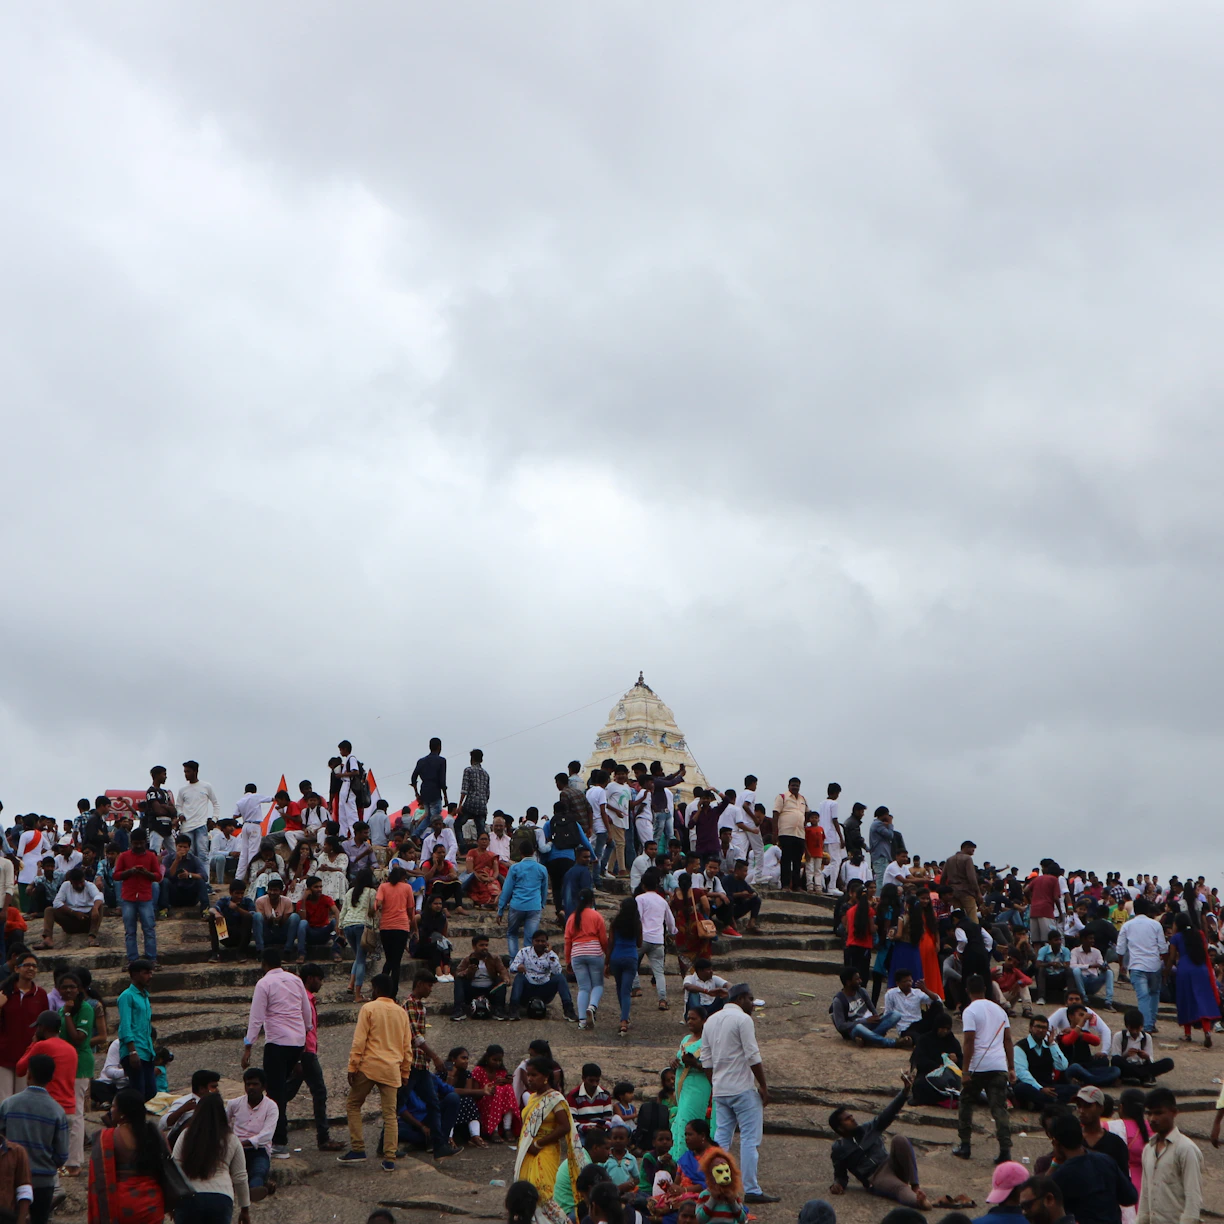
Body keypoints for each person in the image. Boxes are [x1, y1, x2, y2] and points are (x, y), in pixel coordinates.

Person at [699, 984, 776, 1204]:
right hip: (743, 1089)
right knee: (750, 1140)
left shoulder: (711, 1020)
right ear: (741, 998)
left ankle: (715, 1185)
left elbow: (706, 1060)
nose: (752, 1004)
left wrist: (714, 1085)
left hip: (721, 1090)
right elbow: (752, 1055)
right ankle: (751, 1188)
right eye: (750, 999)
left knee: (722, 1138)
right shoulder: (743, 1020)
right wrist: (763, 1086)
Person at [242, 946, 313, 1156]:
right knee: (280, 1088)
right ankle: (275, 1128)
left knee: (275, 1093)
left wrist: (248, 1046)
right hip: (297, 1041)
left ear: (264, 964)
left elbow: (256, 1018)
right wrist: (306, 1030)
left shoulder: (264, 983)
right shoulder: (295, 980)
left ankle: (279, 1141)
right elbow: (306, 1010)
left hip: (277, 1042)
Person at [338, 973, 412, 1170]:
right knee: (390, 1114)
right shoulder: (401, 1012)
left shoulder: (368, 1008)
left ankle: (358, 1148)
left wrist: (352, 1066)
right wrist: (405, 1072)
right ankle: (389, 1158)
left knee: (353, 1104)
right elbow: (407, 1046)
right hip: (392, 1069)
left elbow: (359, 1040)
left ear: (377, 989)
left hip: (369, 1066)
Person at [828, 1073, 930, 1210]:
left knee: (899, 1139)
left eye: (851, 1116)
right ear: (840, 1128)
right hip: (876, 1177)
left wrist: (905, 1092)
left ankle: (916, 1186)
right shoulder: (839, 1149)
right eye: (847, 1119)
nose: (852, 1119)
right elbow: (840, 1174)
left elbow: (888, 1114)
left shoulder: (868, 1129)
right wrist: (838, 1184)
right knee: (900, 1188)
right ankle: (919, 1202)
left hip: (890, 1163)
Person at [951, 975, 1015, 1165]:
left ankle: (965, 1145)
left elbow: (969, 1042)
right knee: (999, 1109)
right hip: (999, 1066)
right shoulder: (1000, 1010)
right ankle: (1005, 1150)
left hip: (978, 1066)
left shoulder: (970, 1011)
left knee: (966, 1103)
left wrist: (965, 1071)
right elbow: (1008, 1040)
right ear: (985, 989)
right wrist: (1011, 1067)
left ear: (967, 991)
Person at [283, 964, 342, 1154]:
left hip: (305, 1052)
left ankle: (272, 1128)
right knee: (318, 1092)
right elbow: (298, 1029)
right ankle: (323, 1138)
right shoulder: (303, 1000)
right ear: (310, 979)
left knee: (286, 1093)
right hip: (305, 1053)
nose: (321, 983)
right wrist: (298, 1059)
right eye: (319, 979)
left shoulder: (306, 999)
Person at [172, 1090, 251, 1224]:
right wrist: (245, 1209)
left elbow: (174, 1169)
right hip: (220, 1199)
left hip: (188, 1198)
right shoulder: (232, 1139)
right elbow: (240, 1177)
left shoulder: (186, 1135)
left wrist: (171, 1203)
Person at [86, 1086, 162, 1224]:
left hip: (123, 1203)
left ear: (123, 1113)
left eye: (114, 1106)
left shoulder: (108, 1137)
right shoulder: (156, 1133)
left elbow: (99, 1175)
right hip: (153, 1202)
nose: (111, 1110)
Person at [514, 1056, 582, 1200]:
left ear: (545, 1076)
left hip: (545, 1149)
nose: (530, 1079)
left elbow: (565, 1127)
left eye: (534, 1075)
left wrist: (538, 1144)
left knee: (543, 1192)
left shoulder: (555, 1098)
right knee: (526, 1191)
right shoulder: (532, 1097)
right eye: (528, 1075)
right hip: (528, 1149)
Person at [1048, 1114, 1136, 1224]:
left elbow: (1043, 1199)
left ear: (1056, 1143)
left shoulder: (1060, 1176)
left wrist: (1054, 1165)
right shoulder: (1106, 1161)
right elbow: (1130, 1197)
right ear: (1081, 1136)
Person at [1138, 1087, 1201, 1224]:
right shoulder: (1148, 1150)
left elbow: (1193, 1197)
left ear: (1174, 1112)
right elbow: (1145, 1196)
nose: (1152, 1119)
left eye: (1158, 1113)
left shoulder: (1186, 1149)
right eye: (1149, 1114)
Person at [0, 953, 49, 1099]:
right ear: (16, 969)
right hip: (4, 1055)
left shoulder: (40, 995)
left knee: (23, 1100)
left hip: (28, 1056)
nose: (31, 968)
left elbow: (44, 1025)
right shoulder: (4, 993)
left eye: (34, 966)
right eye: (27, 965)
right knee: (4, 1100)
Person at [1166, 912, 1219, 1045]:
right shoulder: (1199, 934)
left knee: (1186, 1000)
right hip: (1201, 970)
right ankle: (1207, 1030)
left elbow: (1172, 958)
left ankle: (1187, 1034)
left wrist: (1165, 972)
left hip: (1184, 970)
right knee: (1202, 1000)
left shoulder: (1176, 938)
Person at [225, 1069, 278, 1202]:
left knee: (259, 1169)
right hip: (235, 1148)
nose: (250, 1088)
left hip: (258, 1149)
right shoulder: (234, 1104)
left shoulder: (271, 1107)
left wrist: (242, 1143)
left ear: (263, 1087)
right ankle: (259, 1187)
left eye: (255, 1084)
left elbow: (267, 1135)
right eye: (248, 1084)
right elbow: (223, 1124)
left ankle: (255, 1190)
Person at [1116, 902, 1168, 1033]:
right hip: (1154, 965)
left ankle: (1146, 1026)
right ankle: (1151, 1022)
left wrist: (1122, 965)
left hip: (1137, 965)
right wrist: (1165, 965)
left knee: (1143, 996)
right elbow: (1163, 948)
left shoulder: (1127, 925)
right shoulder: (1156, 925)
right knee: (1154, 993)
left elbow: (1121, 949)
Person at [114, 830, 162, 966]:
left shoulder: (151, 856)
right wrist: (129, 872)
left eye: (141, 843)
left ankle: (152, 959)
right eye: (136, 843)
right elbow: (116, 875)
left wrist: (147, 873)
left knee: (149, 929)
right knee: (130, 931)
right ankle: (132, 960)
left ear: (145, 843)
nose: (139, 846)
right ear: (131, 843)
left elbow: (158, 876)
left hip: (145, 897)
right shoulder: (124, 856)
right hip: (128, 897)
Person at [508, 930, 579, 1023]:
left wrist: (550, 956)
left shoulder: (551, 955)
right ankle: (513, 1010)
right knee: (519, 977)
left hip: (544, 989)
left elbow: (557, 971)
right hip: (528, 989)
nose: (540, 943)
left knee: (560, 978)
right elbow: (512, 968)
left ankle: (569, 1011)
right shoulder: (524, 952)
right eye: (537, 941)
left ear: (546, 943)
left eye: (542, 941)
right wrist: (518, 967)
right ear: (532, 941)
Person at [565, 889, 609, 1030]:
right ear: (592, 900)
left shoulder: (572, 918)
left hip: (577, 952)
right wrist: (607, 954)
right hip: (594, 951)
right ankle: (592, 1006)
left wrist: (568, 961)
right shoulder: (596, 916)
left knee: (583, 987)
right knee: (598, 985)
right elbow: (603, 938)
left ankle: (582, 1020)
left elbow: (567, 940)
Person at [830, 969, 905, 1049]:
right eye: (857, 979)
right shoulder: (839, 1000)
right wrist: (864, 1021)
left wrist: (877, 1017)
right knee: (859, 1027)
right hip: (855, 1028)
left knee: (896, 1015)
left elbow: (872, 1008)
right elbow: (841, 1025)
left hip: (871, 1022)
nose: (860, 981)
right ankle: (891, 1043)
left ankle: (866, 1039)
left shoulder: (861, 991)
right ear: (848, 982)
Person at [34, 864, 102, 951]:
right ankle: (48, 939)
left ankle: (92, 937)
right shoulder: (66, 885)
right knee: (49, 910)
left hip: (87, 920)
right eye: (77, 884)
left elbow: (99, 896)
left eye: (81, 882)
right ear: (71, 882)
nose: (80, 885)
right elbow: (57, 902)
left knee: (100, 906)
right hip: (71, 921)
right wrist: (74, 913)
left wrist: (95, 908)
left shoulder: (89, 885)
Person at [1013, 1015, 1075, 1107]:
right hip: (1031, 1085)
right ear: (1030, 1028)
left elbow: (1062, 1066)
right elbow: (1022, 1073)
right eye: (1038, 1027)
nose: (1041, 1030)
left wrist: (1052, 1044)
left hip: (1049, 1086)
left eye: (1044, 1028)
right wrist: (1040, 1088)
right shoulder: (1020, 1047)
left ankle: (1040, 1104)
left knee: (1075, 1089)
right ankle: (1054, 1104)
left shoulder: (1049, 1046)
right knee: (1021, 1088)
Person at [499, 847, 549, 961]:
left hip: (517, 905)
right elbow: (544, 889)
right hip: (534, 905)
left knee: (512, 933)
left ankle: (514, 960)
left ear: (520, 853)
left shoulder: (515, 868)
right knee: (530, 938)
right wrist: (542, 904)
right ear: (533, 853)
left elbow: (507, 889)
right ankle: (527, 962)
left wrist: (501, 909)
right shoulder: (542, 869)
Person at [117, 960, 156, 1102]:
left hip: (146, 1050)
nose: (150, 976)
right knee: (137, 1092)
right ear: (134, 974)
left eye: (151, 972)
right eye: (146, 973)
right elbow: (125, 1025)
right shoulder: (127, 996)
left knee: (150, 1091)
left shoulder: (144, 996)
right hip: (134, 1050)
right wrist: (132, 1051)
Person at [375, 865, 417, 996]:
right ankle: (392, 992)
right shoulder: (407, 888)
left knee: (389, 959)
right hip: (401, 927)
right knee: (396, 962)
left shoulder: (383, 887)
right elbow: (411, 910)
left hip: (386, 927)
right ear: (403, 877)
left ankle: (380, 987)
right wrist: (414, 928)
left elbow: (377, 904)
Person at [452, 934, 511, 1022]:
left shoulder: (494, 958)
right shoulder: (467, 959)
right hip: (472, 990)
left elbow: (502, 970)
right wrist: (468, 971)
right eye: (481, 945)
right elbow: (457, 973)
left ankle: (499, 1010)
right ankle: (458, 1010)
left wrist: (506, 978)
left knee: (500, 980)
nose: (485, 948)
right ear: (474, 946)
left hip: (490, 991)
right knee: (459, 981)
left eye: (486, 945)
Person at [1110, 1009, 1174, 1084]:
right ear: (1127, 1026)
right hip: (1127, 1066)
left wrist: (1146, 1056)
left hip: (1142, 1065)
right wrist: (1126, 1055)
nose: (1134, 1032)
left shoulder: (1147, 1037)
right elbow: (1116, 1058)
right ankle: (1145, 1076)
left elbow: (1150, 1060)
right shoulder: (1119, 1036)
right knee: (1115, 1060)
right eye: (1132, 1028)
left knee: (1168, 1062)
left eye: (1137, 1029)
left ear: (1141, 1026)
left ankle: (1137, 1076)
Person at [175, 761, 221, 864]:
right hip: (186, 826)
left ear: (195, 771)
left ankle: (205, 879)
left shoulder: (206, 786)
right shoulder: (183, 789)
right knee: (188, 855)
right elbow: (178, 806)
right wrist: (181, 814)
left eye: (188, 771)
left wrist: (214, 819)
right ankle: (190, 878)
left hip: (201, 825)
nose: (186, 774)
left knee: (202, 854)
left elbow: (216, 804)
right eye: (185, 772)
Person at [771, 779, 808, 893]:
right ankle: (785, 885)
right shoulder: (782, 797)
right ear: (789, 786)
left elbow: (806, 813)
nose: (795, 787)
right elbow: (775, 814)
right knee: (786, 859)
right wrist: (775, 833)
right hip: (786, 832)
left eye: (797, 785)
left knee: (797, 861)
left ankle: (796, 886)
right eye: (793, 785)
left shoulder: (803, 799)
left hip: (800, 834)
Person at [207, 879, 255, 962]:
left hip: (242, 937)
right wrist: (217, 914)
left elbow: (252, 915)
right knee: (212, 917)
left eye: (241, 893)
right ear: (231, 892)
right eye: (237, 893)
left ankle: (241, 952)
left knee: (247, 917)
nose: (239, 896)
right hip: (225, 935)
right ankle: (215, 953)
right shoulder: (225, 901)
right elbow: (212, 909)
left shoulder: (248, 901)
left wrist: (237, 909)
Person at [252, 875, 300, 955]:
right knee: (256, 916)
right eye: (270, 890)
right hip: (267, 933)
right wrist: (270, 920)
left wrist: (280, 919)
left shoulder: (287, 901)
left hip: (282, 932)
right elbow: (261, 920)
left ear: (281, 892)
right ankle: (260, 950)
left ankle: (287, 950)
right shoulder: (260, 901)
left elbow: (285, 921)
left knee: (295, 917)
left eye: (275, 890)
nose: (272, 893)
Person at [1070, 933, 1115, 1010]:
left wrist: (1103, 967)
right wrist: (1089, 966)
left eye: (1093, 939)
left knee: (1109, 972)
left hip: (1093, 980)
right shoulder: (1075, 951)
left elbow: (1101, 963)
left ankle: (1108, 1002)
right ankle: (1084, 999)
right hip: (1082, 980)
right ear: (1083, 939)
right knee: (1076, 971)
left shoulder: (1096, 952)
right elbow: (1072, 965)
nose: (1092, 941)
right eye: (1090, 938)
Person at [942, 841, 983, 923]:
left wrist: (943, 891)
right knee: (972, 916)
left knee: (958, 917)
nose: (973, 853)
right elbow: (971, 877)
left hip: (953, 892)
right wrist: (978, 892)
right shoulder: (967, 859)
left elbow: (943, 877)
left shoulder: (949, 860)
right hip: (966, 892)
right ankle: (975, 934)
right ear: (966, 847)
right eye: (972, 850)